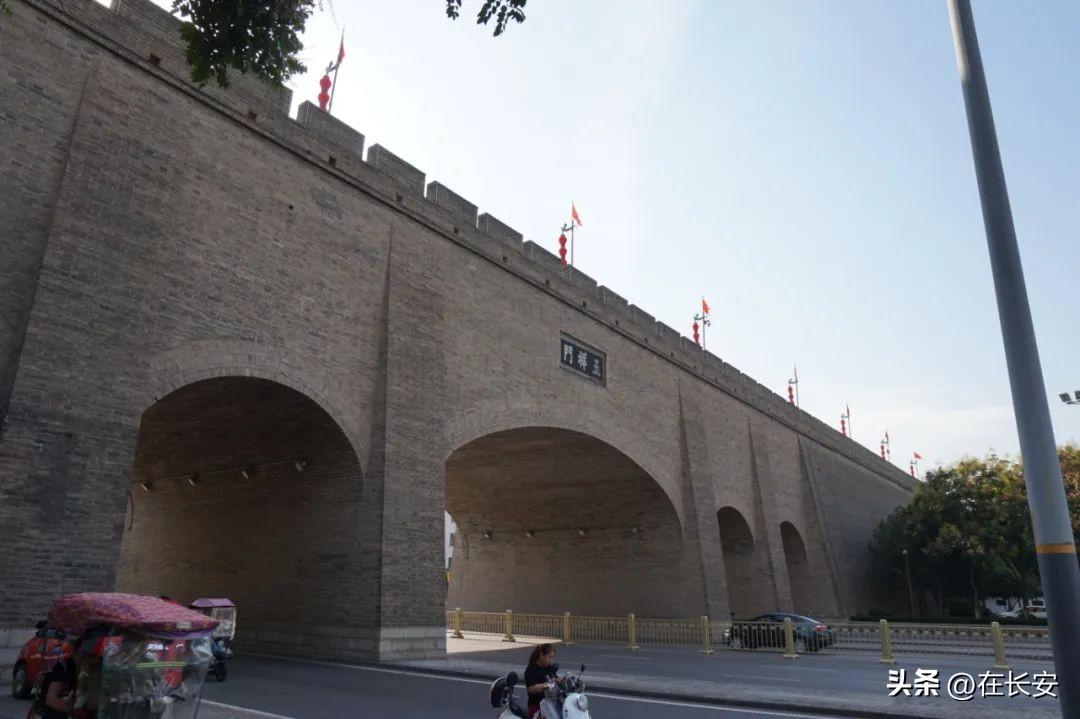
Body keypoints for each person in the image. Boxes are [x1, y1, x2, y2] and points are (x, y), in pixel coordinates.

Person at [523, 644, 559, 718]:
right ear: (541, 655)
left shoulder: (549, 667)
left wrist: (562, 680)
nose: (551, 660)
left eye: (552, 657)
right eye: (549, 657)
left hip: (551, 704)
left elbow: (555, 679)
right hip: (537, 706)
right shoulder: (531, 669)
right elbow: (531, 688)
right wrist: (548, 684)